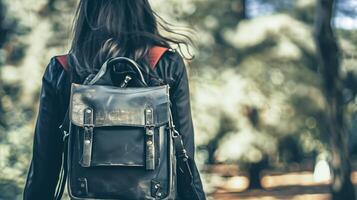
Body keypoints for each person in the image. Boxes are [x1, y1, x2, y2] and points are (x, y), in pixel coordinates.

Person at [23, 0, 206, 199]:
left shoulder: (63, 69)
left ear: (87, 12)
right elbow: (184, 160)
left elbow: (44, 168)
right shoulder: (167, 64)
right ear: (139, 9)